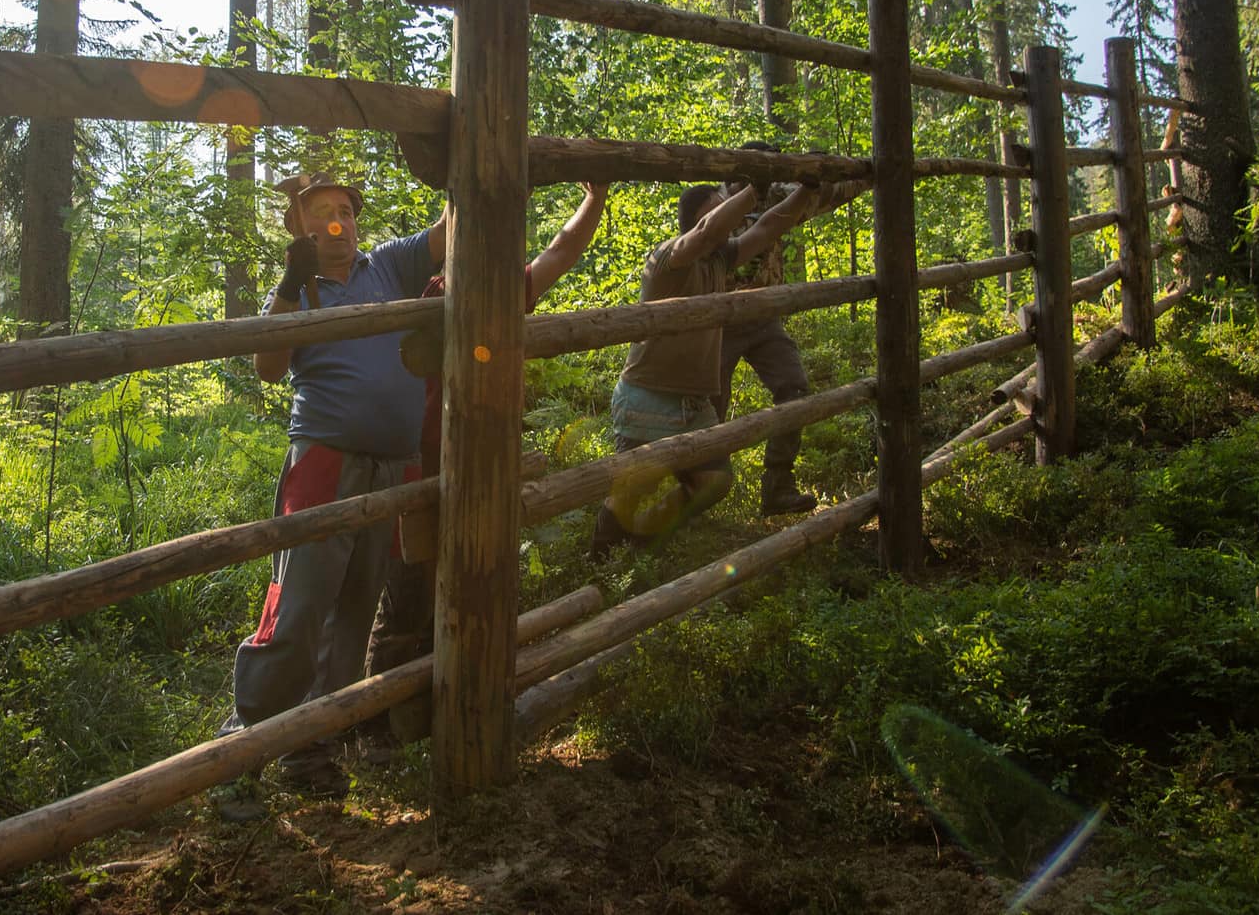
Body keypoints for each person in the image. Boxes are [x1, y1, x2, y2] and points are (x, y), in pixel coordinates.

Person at [217, 170, 445, 801]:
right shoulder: (295, 290)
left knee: (351, 617)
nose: (337, 219)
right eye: (321, 210)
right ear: (299, 226)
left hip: (389, 470)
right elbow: (266, 369)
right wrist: (291, 284)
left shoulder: (389, 267)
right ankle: (242, 752)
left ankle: (310, 753)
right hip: (325, 463)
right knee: (299, 610)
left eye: (344, 208)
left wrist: (458, 171)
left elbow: (452, 230)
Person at [362, 182, 613, 741]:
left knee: (460, 586)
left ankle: (431, 712)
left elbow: (562, 253)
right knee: (408, 591)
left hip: (481, 463)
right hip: (422, 459)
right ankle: (378, 724)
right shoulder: (433, 290)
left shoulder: (503, 283)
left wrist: (594, 200)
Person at [591, 177, 825, 552]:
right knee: (630, 489)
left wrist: (808, 190)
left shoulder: (718, 257)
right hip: (648, 399)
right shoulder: (669, 256)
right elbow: (705, 232)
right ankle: (600, 557)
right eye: (716, 208)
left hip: (694, 404)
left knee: (715, 481)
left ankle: (644, 540)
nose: (729, 215)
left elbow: (768, 225)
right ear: (696, 220)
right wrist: (752, 188)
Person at [716, 143, 870, 516]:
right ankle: (700, 493)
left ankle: (778, 486)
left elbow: (826, 193)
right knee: (708, 407)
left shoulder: (778, 195)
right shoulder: (716, 204)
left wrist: (866, 173)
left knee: (794, 388)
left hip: (765, 317)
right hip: (717, 319)